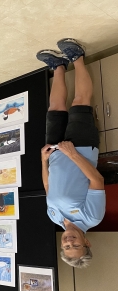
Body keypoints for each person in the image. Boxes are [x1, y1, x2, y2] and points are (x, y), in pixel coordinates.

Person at [37, 39, 106, 268]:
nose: (69, 242)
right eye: (76, 246)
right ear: (87, 242)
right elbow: (97, 180)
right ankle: (77, 57)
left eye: (66, 247)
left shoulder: (54, 218)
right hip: (81, 148)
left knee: (55, 108)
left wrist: (43, 161)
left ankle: (57, 66)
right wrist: (73, 154)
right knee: (80, 102)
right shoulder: (92, 218)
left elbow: (48, 187)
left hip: (55, 152)